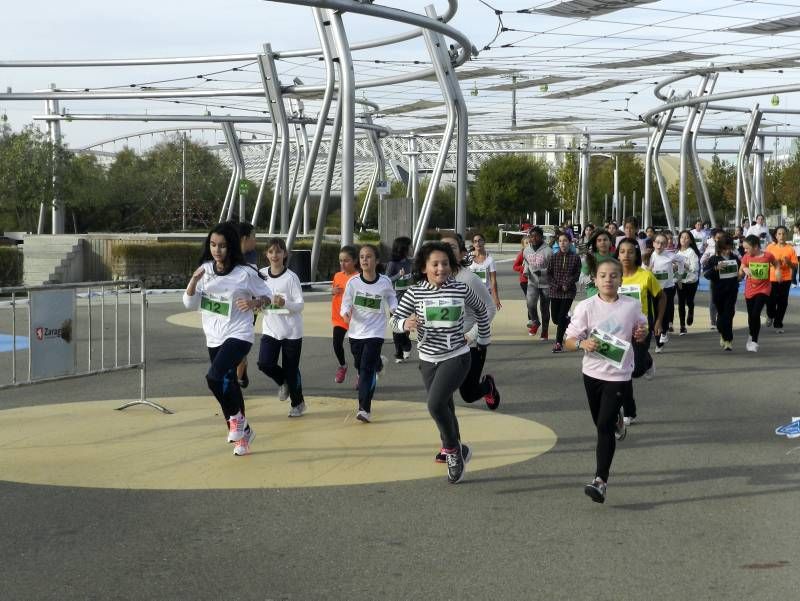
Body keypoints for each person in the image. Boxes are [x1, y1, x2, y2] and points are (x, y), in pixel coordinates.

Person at [390, 242, 491, 484]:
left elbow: (482, 311)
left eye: (445, 263)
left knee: (435, 405)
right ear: (424, 267)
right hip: (427, 359)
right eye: (435, 264)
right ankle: (459, 447)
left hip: (457, 356)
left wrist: (481, 338)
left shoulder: (460, 289)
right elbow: (394, 321)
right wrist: (405, 325)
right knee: (446, 406)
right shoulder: (415, 293)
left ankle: (452, 451)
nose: (441, 268)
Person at [182, 222, 272, 456]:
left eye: (222, 246)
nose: (217, 250)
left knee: (214, 377)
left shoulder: (245, 273)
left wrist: (254, 303)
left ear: (231, 247)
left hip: (239, 334)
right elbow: (190, 303)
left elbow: (269, 296)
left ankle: (236, 421)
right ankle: (243, 436)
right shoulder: (205, 270)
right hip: (214, 336)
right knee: (228, 385)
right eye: (212, 245)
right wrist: (193, 281)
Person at [564, 257, 648, 503]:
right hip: (592, 373)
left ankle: (600, 480)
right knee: (600, 422)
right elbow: (569, 341)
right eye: (603, 275)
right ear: (595, 280)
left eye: (614, 275)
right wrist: (582, 343)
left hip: (619, 374)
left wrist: (640, 334)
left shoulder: (630, 306)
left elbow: (640, 332)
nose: (608, 279)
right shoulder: (586, 307)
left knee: (603, 426)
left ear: (621, 279)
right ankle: (616, 420)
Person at [441, 233, 500, 420]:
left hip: (472, 343)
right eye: (442, 247)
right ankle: (449, 435)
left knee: (468, 393)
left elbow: (490, 308)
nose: (446, 251)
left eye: (451, 247)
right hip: (446, 343)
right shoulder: (435, 278)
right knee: (442, 390)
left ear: (461, 254)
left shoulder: (468, 279)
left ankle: (487, 386)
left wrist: (471, 335)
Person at [340, 244, 397, 423]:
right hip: (356, 332)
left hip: (376, 332)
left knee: (365, 370)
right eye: (362, 257)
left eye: (369, 256)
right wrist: (346, 313)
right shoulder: (353, 282)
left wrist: (395, 309)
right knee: (359, 364)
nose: (365, 260)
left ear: (377, 260)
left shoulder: (385, 282)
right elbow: (345, 303)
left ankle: (364, 408)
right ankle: (379, 363)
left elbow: (392, 297)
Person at [614, 238, 665, 425]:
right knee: (623, 371)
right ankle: (629, 411)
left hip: (641, 329)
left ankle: (647, 361)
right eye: (622, 251)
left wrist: (659, 320)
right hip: (619, 329)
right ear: (617, 254)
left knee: (635, 371)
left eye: (630, 252)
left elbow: (661, 297)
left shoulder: (645, 276)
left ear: (636, 254)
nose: (626, 255)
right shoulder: (613, 276)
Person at [257, 237, 307, 417]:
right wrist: (256, 304)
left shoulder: (291, 277)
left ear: (285, 254)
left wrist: (285, 303)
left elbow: (300, 305)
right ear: (266, 254)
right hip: (270, 329)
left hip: (292, 331)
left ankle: (297, 403)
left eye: (278, 251)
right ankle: (283, 381)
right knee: (264, 363)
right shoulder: (261, 274)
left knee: (291, 369)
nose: (274, 255)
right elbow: (256, 296)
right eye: (271, 251)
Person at [647, 232, 685, 351]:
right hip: (654, 289)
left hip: (668, 288)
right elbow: (645, 270)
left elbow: (682, 260)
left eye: (662, 243)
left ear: (666, 245)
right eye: (657, 242)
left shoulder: (670, 255)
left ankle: (664, 332)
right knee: (655, 313)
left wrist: (679, 275)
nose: (659, 245)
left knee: (665, 312)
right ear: (653, 243)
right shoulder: (650, 256)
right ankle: (659, 343)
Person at [703, 234, 741, 351]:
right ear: (720, 248)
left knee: (729, 315)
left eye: (729, 248)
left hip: (732, 290)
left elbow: (740, 272)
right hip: (718, 292)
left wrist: (741, 275)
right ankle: (723, 333)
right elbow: (706, 275)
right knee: (721, 318)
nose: (727, 251)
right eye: (725, 248)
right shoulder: (713, 259)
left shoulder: (735, 258)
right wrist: (715, 269)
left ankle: (728, 340)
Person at [739, 235, 776, 352]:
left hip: (764, 289)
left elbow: (776, 263)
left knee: (756, 313)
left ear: (755, 247)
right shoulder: (746, 257)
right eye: (744, 248)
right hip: (750, 290)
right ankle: (751, 335)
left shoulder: (768, 256)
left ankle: (754, 340)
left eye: (747, 248)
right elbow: (741, 269)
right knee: (751, 316)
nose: (745, 251)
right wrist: (744, 269)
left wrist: (778, 270)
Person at [547, 232, 582, 353]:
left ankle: (558, 343)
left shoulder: (575, 257)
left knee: (561, 317)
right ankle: (571, 322)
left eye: (565, 241)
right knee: (556, 319)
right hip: (555, 291)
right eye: (560, 241)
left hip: (569, 291)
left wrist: (568, 284)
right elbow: (549, 274)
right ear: (558, 243)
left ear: (570, 242)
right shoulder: (554, 257)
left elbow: (577, 274)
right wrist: (557, 285)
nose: (563, 243)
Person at [330, 246, 359, 384]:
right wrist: (333, 291)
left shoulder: (359, 277)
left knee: (356, 350)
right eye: (340, 260)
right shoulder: (337, 275)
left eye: (346, 260)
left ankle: (361, 374)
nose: (342, 263)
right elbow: (335, 291)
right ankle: (343, 365)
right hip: (339, 318)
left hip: (355, 319)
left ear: (354, 261)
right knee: (336, 344)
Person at [235, 221, 259, 389]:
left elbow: (258, 288)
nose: (255, 241)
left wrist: (256, 302)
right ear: (244, 238)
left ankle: (237, 378)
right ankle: (237, 374)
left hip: (247, 311)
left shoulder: (251, 257)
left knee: (240, 347)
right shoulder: (226, 256)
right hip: (228, 311)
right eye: (253, 237)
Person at [765, 225, 798, 333]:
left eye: (784, 233)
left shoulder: (790, 249)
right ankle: (770, 315)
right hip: (772, 278)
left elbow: (795, 266)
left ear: (786, 235)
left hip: (785, 279)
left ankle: (778, 324)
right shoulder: (770, 247)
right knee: (770, 301)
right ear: (775, 235)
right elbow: (765, 261)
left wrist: (788, 262)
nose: (782, 236)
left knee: (783, 302)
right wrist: (775, 264)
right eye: (779, 234)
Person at [386, 236, 414, 363]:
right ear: (403, 248)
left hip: (407, 300)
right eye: (409, 246)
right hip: (395, 301)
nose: (411, 248)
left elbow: (412, 278)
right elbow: (386, 280)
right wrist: (398, 275)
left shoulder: (409, 262)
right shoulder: (393, 264)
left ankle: (404, 348)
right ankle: (400, 351)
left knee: (404, 326)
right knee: (396, 327)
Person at [524, 226, 553, 339]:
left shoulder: (548, 251)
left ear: (541, 237)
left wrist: (542, 272)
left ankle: (544, 331)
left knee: (544, 308)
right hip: (532, 282)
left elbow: (553, 268)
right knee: (530, 304)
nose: (534, 238)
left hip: (546, 284)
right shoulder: (526, 250)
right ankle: (535, 322)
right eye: (532, 236)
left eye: (536, 236)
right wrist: (526, 271)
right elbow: (526, 263)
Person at [676, 230, 701, 335]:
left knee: (689, 301)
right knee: (681, 302)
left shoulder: (692, 252)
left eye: (686, 238)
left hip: (691, 281)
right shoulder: (677, 252)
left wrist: (684, 265)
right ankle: (682, 326)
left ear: (690, 241)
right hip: (680, 280)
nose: (684, 239)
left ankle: (691, 310)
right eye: (682, 237)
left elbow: (695, 268)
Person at [469, 232, 502, 310]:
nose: (478, 243)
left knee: (484, 319)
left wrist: (496, 298)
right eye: (475, 241)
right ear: (473, 244)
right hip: (470, 295)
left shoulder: (490, 260)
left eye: (480, 241)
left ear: (484, 242)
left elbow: (493, 281)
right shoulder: (468, 257)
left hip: (485, 294)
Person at [701, 228, 724, 329]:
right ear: (714, 238)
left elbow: (739, 257)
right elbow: (702, 260)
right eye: (718, 238)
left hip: (726, 279)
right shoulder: (710, 248)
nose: (720, 239)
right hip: (714, 278)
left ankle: (720, 319)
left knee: (724, 300)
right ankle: (713, 322)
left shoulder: (728, 248)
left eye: (722, 237)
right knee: (713, 300)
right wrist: (706, 260)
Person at [582, 229, 614, 298]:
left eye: (605, 240)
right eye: (599, 240)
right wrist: (594, 280)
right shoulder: (590, 257)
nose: (602, 242)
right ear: (595, 244)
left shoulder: (616, 256)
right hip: (594, 292)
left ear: (610, 242)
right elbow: (582, 278)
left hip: (613, 291)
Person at [512, 233, 532, 328]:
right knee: (530, 300)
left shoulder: (535, 253)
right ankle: (531, 319)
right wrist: (523, 268)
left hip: (535, 280)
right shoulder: (521, 254)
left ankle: (533, 318)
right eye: (526, 243)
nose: (529, 244)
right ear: (523, 245)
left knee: (533, 300)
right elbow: (515, 266)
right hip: (524, 281)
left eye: (530, 242)